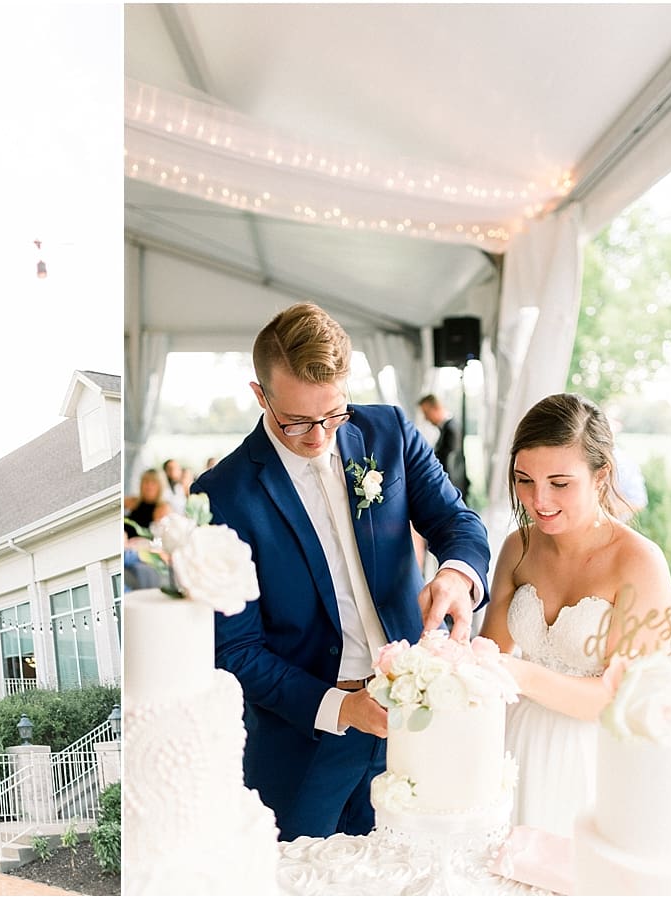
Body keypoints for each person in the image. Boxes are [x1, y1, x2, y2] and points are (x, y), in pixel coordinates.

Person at [194, 302, 490, 840]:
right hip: (306, 737)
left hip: (416, 719)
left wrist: (456, 574)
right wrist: (341, 708)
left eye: (332, 414)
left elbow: (457, 521)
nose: (318, 435)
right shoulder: (222, 496)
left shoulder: (390, 432)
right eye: (297, 420)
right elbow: (234, 649)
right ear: (260, 396)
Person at [480, 393, 671, 838]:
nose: (538, 500)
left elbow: (619, 697)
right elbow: (488, 652)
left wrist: (517, 673)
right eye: (524, 480)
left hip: (592, 761)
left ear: (601, 474)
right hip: (512, 744)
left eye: (560, 483)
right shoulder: (517, 547)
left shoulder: (639, 563)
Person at [418, 393, 469, 496]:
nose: (426, 418)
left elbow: (449, 461)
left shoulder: (451, 429)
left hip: (452, 488)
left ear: (436, 408)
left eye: (426, 413)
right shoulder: (446, 429)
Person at [124, 468, 170, 539]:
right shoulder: (133, 501)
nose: (149, 486)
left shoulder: (163, 508)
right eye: (146, 481)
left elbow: (158, 536)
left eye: (153, 482)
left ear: (161, 486)